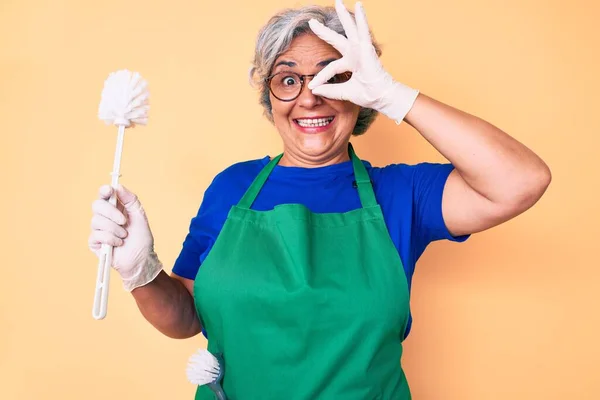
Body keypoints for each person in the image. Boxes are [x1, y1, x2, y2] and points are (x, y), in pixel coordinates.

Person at [88, 1, 551, 398]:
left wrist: (396, 96)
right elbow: (187, 317)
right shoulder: (231, 188)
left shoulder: (402, 194)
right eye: (288, 80)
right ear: (270, 97)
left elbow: (522, 180)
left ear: (362, 94)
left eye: (333, 77)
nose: (310, 98)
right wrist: (140, 270)